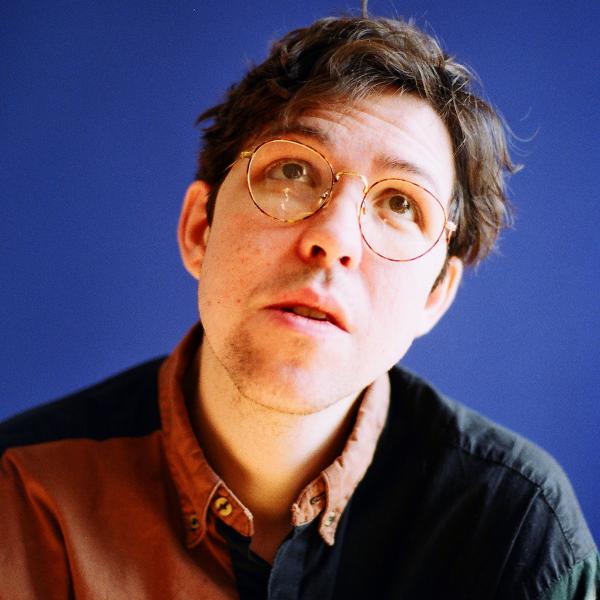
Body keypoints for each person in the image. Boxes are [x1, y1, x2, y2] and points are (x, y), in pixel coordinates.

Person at [1, 13, 598, 600]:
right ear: (199, 230)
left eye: (399, 204)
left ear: (435, 295)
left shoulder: (517, 527)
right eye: (293, 171)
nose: (333, 237)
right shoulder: (21, 490)